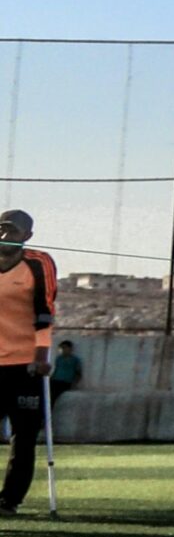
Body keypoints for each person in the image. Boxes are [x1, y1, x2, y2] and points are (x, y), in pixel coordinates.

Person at [0, 213, 56, 516]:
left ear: (27, 236)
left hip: (25, 365)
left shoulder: (38, 262)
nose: (4, 232)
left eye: (12, 229)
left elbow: (44, 310)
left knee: (23, 436)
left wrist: (42, 355)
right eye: (1, 227)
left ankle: (9, 500)